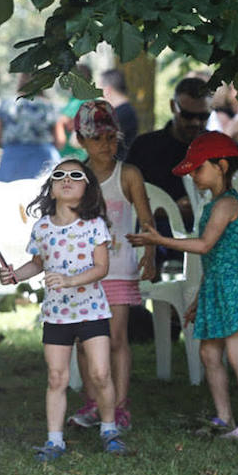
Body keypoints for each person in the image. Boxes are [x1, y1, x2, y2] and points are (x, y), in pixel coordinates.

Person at [128, 133, 238, 439]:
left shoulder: (226, 204)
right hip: (217, 286)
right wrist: (200, 297)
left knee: (237, 357)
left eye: (198, 168)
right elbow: (214, 258)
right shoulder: (214, 204)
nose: (193, 175)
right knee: (210, 355)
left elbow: (206, 245)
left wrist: (159, 240)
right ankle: (223, 417)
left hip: (234, 288)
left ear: (221, 166)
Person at [0, 160, 128, 460]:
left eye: (75, 176)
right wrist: (15, 274)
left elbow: (101, 268)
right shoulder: (42, 227)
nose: (66, 180)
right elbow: (37, 263)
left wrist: (70, 280)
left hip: (92, 311)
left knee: (100, 373)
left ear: (87, 188)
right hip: (56, 315)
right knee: (57, 378)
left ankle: (109, 429)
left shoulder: (94, 225)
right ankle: (54, 441)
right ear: (52, 189)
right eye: (59, 175)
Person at [62, 101, 155, 433]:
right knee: (84, 342)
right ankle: (93, 402)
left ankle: (118, 407)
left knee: (116, 338)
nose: (107, 146)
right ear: (81, 140)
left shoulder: (127, 175)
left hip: (118, 270)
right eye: (98, 139)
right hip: (82, 275)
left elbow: (147, 221)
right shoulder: (73, 176)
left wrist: (150, 253)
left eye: (112, 138)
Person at [127, 76, 213, 217]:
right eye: (188, 115)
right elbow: (127, 196)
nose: (196, 123)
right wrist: (170, 209)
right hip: (157, 231)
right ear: (173, 106)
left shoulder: (219, 148)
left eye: (204, 116)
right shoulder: (144, 147)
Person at [0, 74, 60, 181]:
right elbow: (60, 141)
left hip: (12, 161)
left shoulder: (6, 105)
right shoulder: (49, 106)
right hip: (44, 159)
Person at [98, 68, 139, 153]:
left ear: (107, 90)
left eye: (99, 89)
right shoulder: (122, 111)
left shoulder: (120, 114)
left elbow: (79, 141)